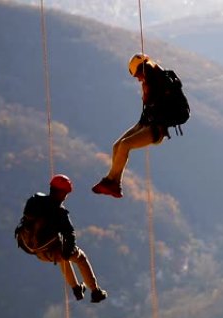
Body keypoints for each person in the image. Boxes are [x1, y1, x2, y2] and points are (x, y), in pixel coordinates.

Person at [92, 53, 178, 198]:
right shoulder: (152, 81)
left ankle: (109, 180)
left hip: (157, 129)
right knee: (117, 146)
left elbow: (159, 102)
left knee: (125, 145)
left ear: (143, 69)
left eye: (138, 75)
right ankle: (115, 185)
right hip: (145, 124)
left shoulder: (160, 81)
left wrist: (148, 89)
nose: (138, 79)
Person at [16, 175, 107, 303]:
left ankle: (76, 289)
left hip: (32, 248)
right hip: (50, 252)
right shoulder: (60, 213)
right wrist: (67, 252)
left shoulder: (35, 200)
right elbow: (70, 234)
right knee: (79, 258)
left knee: (62, 256)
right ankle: (95, 292)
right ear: (64, 194)